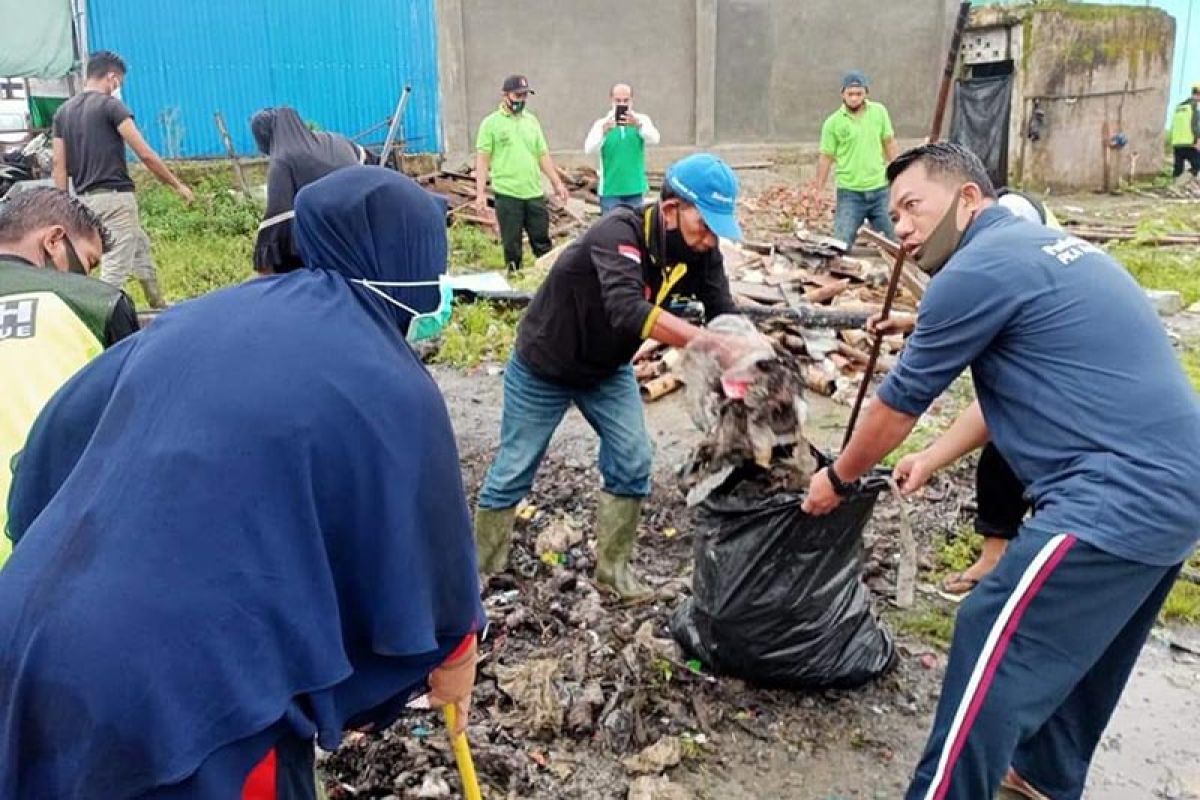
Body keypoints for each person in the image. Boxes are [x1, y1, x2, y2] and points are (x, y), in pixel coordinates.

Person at [0, 167, 484, 799]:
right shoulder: (388, 379)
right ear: (411, 262)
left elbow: (53, 442)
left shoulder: (199, 317)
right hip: (182, 699)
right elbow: (432, 545)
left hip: (25, 632)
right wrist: (455, 653)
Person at [803, 142, 1200, 799]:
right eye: (894, 211)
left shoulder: (975, 270)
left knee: (994, 632)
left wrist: (839, 479)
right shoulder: (1052, 250)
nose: (900, 226)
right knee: (1089, 643)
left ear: (968, 198)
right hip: (1180, 484)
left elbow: (897, 404)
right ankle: (1042, 776)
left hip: (1117, 489)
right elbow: (998, 403)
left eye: (913, 206)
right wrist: (929, 459)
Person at [474, 153, 755, 600]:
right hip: (544, 365)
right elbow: (627, 310)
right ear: (669, 211)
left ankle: (613, 572)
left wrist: (752, 361)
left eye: (717, 228)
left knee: (633, 458)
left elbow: (725, 313)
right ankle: (483, 574)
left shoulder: (703, 253)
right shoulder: (617, 233)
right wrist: (708, 343)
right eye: (704, 224)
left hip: (605, 371)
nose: (709, 239)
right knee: (513, 469)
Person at [868, 186, 1061, 600]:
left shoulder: (1021, 254)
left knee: (1012, 453)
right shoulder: (1001, 247)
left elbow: (903, 400)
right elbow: (981, 306)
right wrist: (911, 321)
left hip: (1091, 465)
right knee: (1002, 448)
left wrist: (839, 477)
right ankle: (998, 555)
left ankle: (1034, 567)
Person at [0, 187, 137, 566]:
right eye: (88, 262)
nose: (87, 275)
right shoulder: (94, 305)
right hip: (43, 544)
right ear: (54, 241)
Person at [51, 51, 193, 308]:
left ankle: (157, 303)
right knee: (114, 270)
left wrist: (62, 204)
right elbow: (145, 154)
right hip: (116, 199)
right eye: (120, 83)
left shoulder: (63, 113)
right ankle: (99, 318)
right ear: (112, 78)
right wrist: (177, 185)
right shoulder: (111, 106)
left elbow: (59, 166)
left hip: (83, 201)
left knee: (139, 246)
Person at [251, 106, 371, 274]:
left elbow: (277, 222)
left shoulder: (282, 161)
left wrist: (262, 264)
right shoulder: (336, 140)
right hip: (364, 230)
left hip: (326, 246)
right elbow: (372, 162)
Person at [473, 74, 570, 272]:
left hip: (533, 191)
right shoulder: (491, 124)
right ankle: (515, 277)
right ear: (505, 95)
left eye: (525, 96)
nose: (521, 100)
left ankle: (548, 277)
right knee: (512, 244)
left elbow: (542, 155)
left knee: (541, 240)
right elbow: (482, 160)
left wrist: (557, 182)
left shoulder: (531, 122)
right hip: (508, 193)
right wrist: (480, 193)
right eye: (517, 96)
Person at [811, 70, 898, 250]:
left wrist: (899, 174)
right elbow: (826, 157)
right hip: (850, 193)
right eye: (850, 94)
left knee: (896, 243)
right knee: (839, 245)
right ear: (842, 94)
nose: (854, 98)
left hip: (880, 191)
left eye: (859, 94)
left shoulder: (879, 112)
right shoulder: (833, 123)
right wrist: (818, 190)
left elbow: (888, 142)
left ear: (866, 93)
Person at [583, 83, 661, 214]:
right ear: (611, 100)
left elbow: (655, 139)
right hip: (610, 190)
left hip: (635, 188)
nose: (622, 104)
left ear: (632, 100)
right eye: (618, 100)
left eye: (626, 100)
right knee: (611, 231)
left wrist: (639, 125)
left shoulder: (641, 120)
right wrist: (603, 132)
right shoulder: (601, 124)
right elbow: (588, 149)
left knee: (634, 230)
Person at [1170, 83, 1200, 182]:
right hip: (1189, 143)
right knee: (1197, 165)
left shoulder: (1179, 107)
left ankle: (1173, 184)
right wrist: (1197, 140)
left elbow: (1174, 125)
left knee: (1178, 169)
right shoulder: (1194, 107)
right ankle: (1182, 182)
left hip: (1177, 142)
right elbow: (1195, 125)